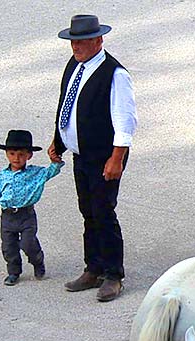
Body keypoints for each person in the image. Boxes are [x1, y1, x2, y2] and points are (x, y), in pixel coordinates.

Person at [49, 14, 137, 302]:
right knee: (87, 210)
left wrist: (116, 159)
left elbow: (125, 122)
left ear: (99, 40)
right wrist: (59, 141)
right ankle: (93, 267)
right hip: (80, 154)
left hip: (103, 156)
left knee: (103, 211)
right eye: (73, 41)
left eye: (83, 41)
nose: (76, 47)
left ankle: (113, 274)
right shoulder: (74, 66)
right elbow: (67, 104)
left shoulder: (115, 74)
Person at [0, 129, 64, 286]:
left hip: (26, 215)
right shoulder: (2, 176)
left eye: (21, 154)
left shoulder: (35, 173)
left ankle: (37, 260)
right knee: (9, 247)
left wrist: (55, 160)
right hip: (7, 216)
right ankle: (13, 272)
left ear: (29, 155)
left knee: (28, 243)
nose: (16, 158)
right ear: (7, 154)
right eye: (12, 153)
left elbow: (51, 171)